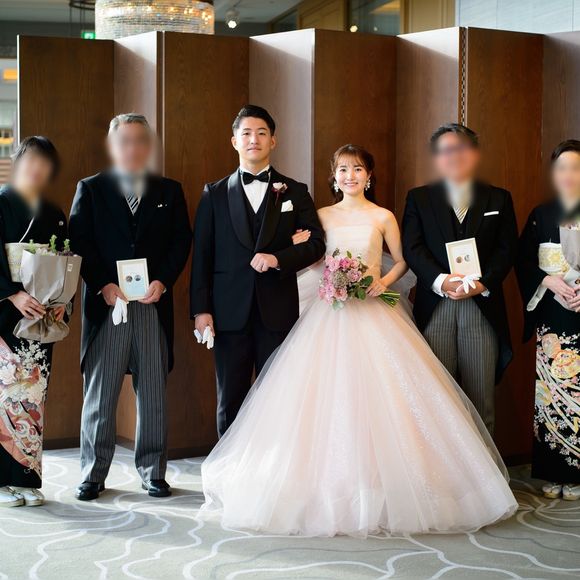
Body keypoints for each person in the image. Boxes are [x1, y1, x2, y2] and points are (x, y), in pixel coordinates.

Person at [197, 144, 518, 537]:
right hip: (328, 313)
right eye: (343, 170)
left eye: (358, 169)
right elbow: (314, 255)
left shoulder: (382, 216)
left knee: (387, 397)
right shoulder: (321, 215)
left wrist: (381, 282)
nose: (350, 176)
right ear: (334, 177)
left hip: (374, 310)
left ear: (369, 176)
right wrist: (312, 259)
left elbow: (403, 259)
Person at [69, 114, 191, 501]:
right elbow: (79, 242)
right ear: (112, 145)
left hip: (152, 306)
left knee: (153, 394)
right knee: (100, 395)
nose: (133, 147)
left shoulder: (169, 190)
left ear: (149, 145)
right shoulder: (90, 189)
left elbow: (181, 241)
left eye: (140, 140)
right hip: (109, 306)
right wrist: (102, 285)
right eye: (124, 140)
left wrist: (163, 281)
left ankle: (153, 472)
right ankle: (92, 474)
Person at [190, 105, 326, 437]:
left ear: (273, 141)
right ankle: (229, 465)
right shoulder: (214, 193)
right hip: (228, 313)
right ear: (234, 141)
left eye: (262, 133)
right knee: (230, 398)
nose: (254, 139)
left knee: (278, 397)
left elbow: (316, 244)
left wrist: (278, 258)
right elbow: (202, 256)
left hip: (277, 311)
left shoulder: (295, 191)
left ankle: (273, 464)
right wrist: (201, 310)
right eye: (247, 133)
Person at [402, 123, 518, 434]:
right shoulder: (419, 198)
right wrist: (440, 280)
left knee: (482, 398)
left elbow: (507, 249)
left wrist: (483, 282)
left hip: (481, 305)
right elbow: (412, 247)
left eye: (461, 148)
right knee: (437, 398)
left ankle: (486, 464)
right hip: (435, 305)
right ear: (437, 157)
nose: (454, 155)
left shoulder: (499, 198)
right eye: (446, 150)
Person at [0, 136, 67, 508]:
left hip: (39, 318)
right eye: (31, 160)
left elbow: (64, 263)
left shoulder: (53, 212)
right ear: (18, 161)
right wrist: (13, 294)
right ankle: (1, 481)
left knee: (33, 397)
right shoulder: (1, 203)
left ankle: (26, 478)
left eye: (44, 163)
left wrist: (60, 303)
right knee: (5, 397)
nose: (37, 168)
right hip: (6, 315)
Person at [516, 140, 580, 501]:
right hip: (553, 313)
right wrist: (546, 280)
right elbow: (524, 260)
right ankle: (555, 471)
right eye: (561, 168)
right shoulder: (541, 214)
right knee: (552, 393)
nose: (568, 175)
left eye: (575, 168)